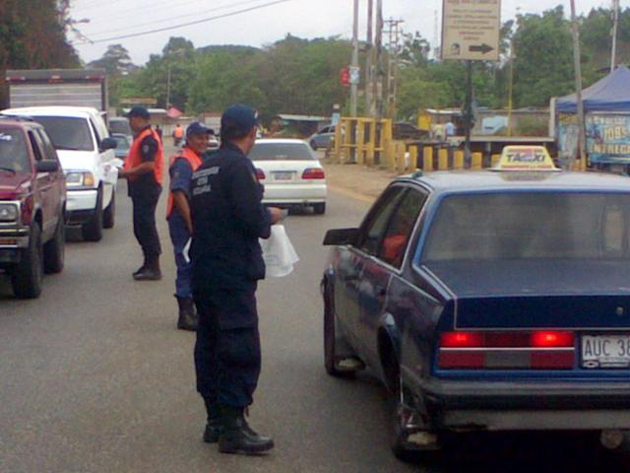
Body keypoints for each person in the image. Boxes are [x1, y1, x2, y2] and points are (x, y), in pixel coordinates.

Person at [189, 104, 283, 455]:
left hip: (204, 269)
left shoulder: (206, 167)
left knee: (210, 345)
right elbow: (250, 219)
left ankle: (215, 420)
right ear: (252, 132)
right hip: (231, 274)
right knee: (238, 346)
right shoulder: (238, 166)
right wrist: (269, 216)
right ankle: (234, 428)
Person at [166, 122, 211, 331]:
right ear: (189, 139)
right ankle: (185, 314)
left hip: (193, 219)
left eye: (206, 138)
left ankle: (193, 309)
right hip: (182, 220)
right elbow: (178, 193)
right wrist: (191, 223)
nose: (203, 141)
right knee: (186, 264)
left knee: (195, 264)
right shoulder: (184, 162)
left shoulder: (199, 159)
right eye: (199, 138)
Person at [119, 106, 164, 281]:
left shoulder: (148, 139)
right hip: (141, 188)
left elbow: (149, 165)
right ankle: (148, 264)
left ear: (139, 119)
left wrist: (126, 173)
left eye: (131, 119)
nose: (130, 123)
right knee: (141, 227)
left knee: (145, 226)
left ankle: (154, 266)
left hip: (148, 187)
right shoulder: (141, 138)